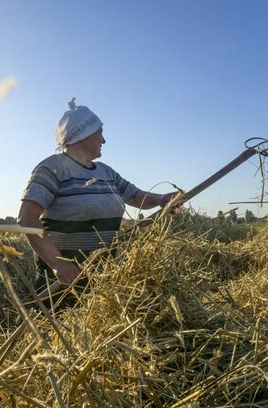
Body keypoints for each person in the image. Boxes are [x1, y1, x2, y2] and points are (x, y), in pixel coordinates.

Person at [18, 97, 178, 309]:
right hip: (62, 281)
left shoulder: (105, 172)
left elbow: (136, 196)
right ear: (83, 135)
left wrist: (161, 200)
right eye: (100, 133)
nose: (104, 140)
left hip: (102, 277)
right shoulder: (52, 169)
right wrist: (57, 262)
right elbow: (27, 218)